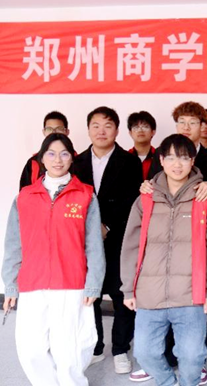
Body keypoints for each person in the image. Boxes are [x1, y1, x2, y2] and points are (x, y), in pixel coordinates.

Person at [120, 134, 207, 386]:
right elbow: (131, 246)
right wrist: (128, 288)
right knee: (144, 352)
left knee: (193, 355)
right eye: (171, 158)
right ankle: (167, 382)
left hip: (190, 294)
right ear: (161, 160)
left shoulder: (206, 200)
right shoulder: (145, 199)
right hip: (149, 293)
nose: (177, 164)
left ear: (193, 161)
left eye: (184, 158)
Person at [3, 133, 106, 386]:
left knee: (71, 349)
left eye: (64, 154)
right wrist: (11, 285)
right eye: (51, 153)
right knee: (31, 349)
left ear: (72, 158)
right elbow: (13, 244)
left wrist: (93, 283)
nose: (57, 160)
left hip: (71, 282)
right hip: (32, 282)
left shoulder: (85, 195)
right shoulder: (24, 197)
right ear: (41, 158)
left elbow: (94, 245)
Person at [73, 106, 143, 374]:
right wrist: (91, 227)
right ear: (88, 129)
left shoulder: (130, 162)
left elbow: (132, 199)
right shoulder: (76, 162)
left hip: (118, 237)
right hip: (84, 239)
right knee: (89, 292)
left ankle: (120, 349)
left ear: (116, 130)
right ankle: (96, 347)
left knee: (119, 293)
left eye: (108, 126)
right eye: (96, 126)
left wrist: (108, 225)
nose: (101, 131)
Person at [147, 101, 207, 195]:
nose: (186, 127)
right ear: (177, 126)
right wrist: (146, 186)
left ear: (202, 126)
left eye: (192, 123)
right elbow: (152, 183)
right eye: (182, 122)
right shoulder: (161, 153)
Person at [19, 110, 70, 190]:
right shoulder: (33, 162)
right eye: (49, 129)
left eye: (59, 129)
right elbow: (24, 193)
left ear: (67, 132)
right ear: (43, 132)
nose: (53, 133)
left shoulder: (79, 160)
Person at [127, 111, 157, 180]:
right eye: (136, 127)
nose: (140, 130)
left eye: (145, 127)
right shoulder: (124, 158)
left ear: (153, 132)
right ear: (130, 133)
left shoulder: (160, 157)